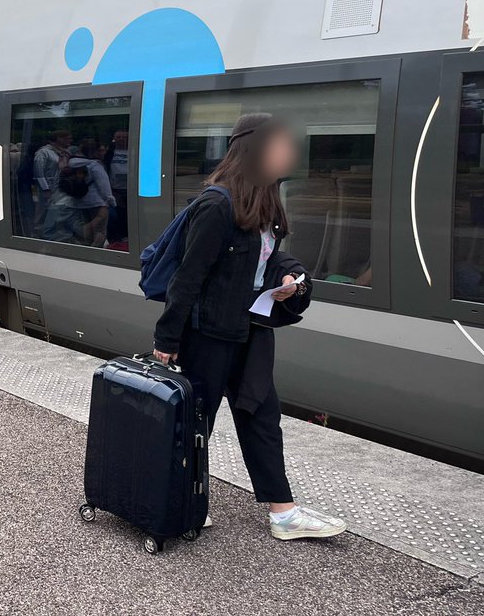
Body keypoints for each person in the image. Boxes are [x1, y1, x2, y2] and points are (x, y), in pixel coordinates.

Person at [152, 113, 346, 542]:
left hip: (251, 330)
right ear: (253, 150)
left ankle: (284, 514)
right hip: (208, 334)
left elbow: (270, 258)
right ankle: (179, 502)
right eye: (280, 146)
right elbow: (187, 279)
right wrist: (167, 339)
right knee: (196, 422)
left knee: (262, 415)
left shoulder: (267, 202)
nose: (289, 154)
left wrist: (292, 279)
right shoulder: (216, 206)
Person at [103, 129, 130, 247]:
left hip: (131, 189)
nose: (121, 139)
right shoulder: (109, 153)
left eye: (124, 137)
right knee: (118, 214)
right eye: (118, 137)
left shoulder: (134, 150)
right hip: (115, 190)